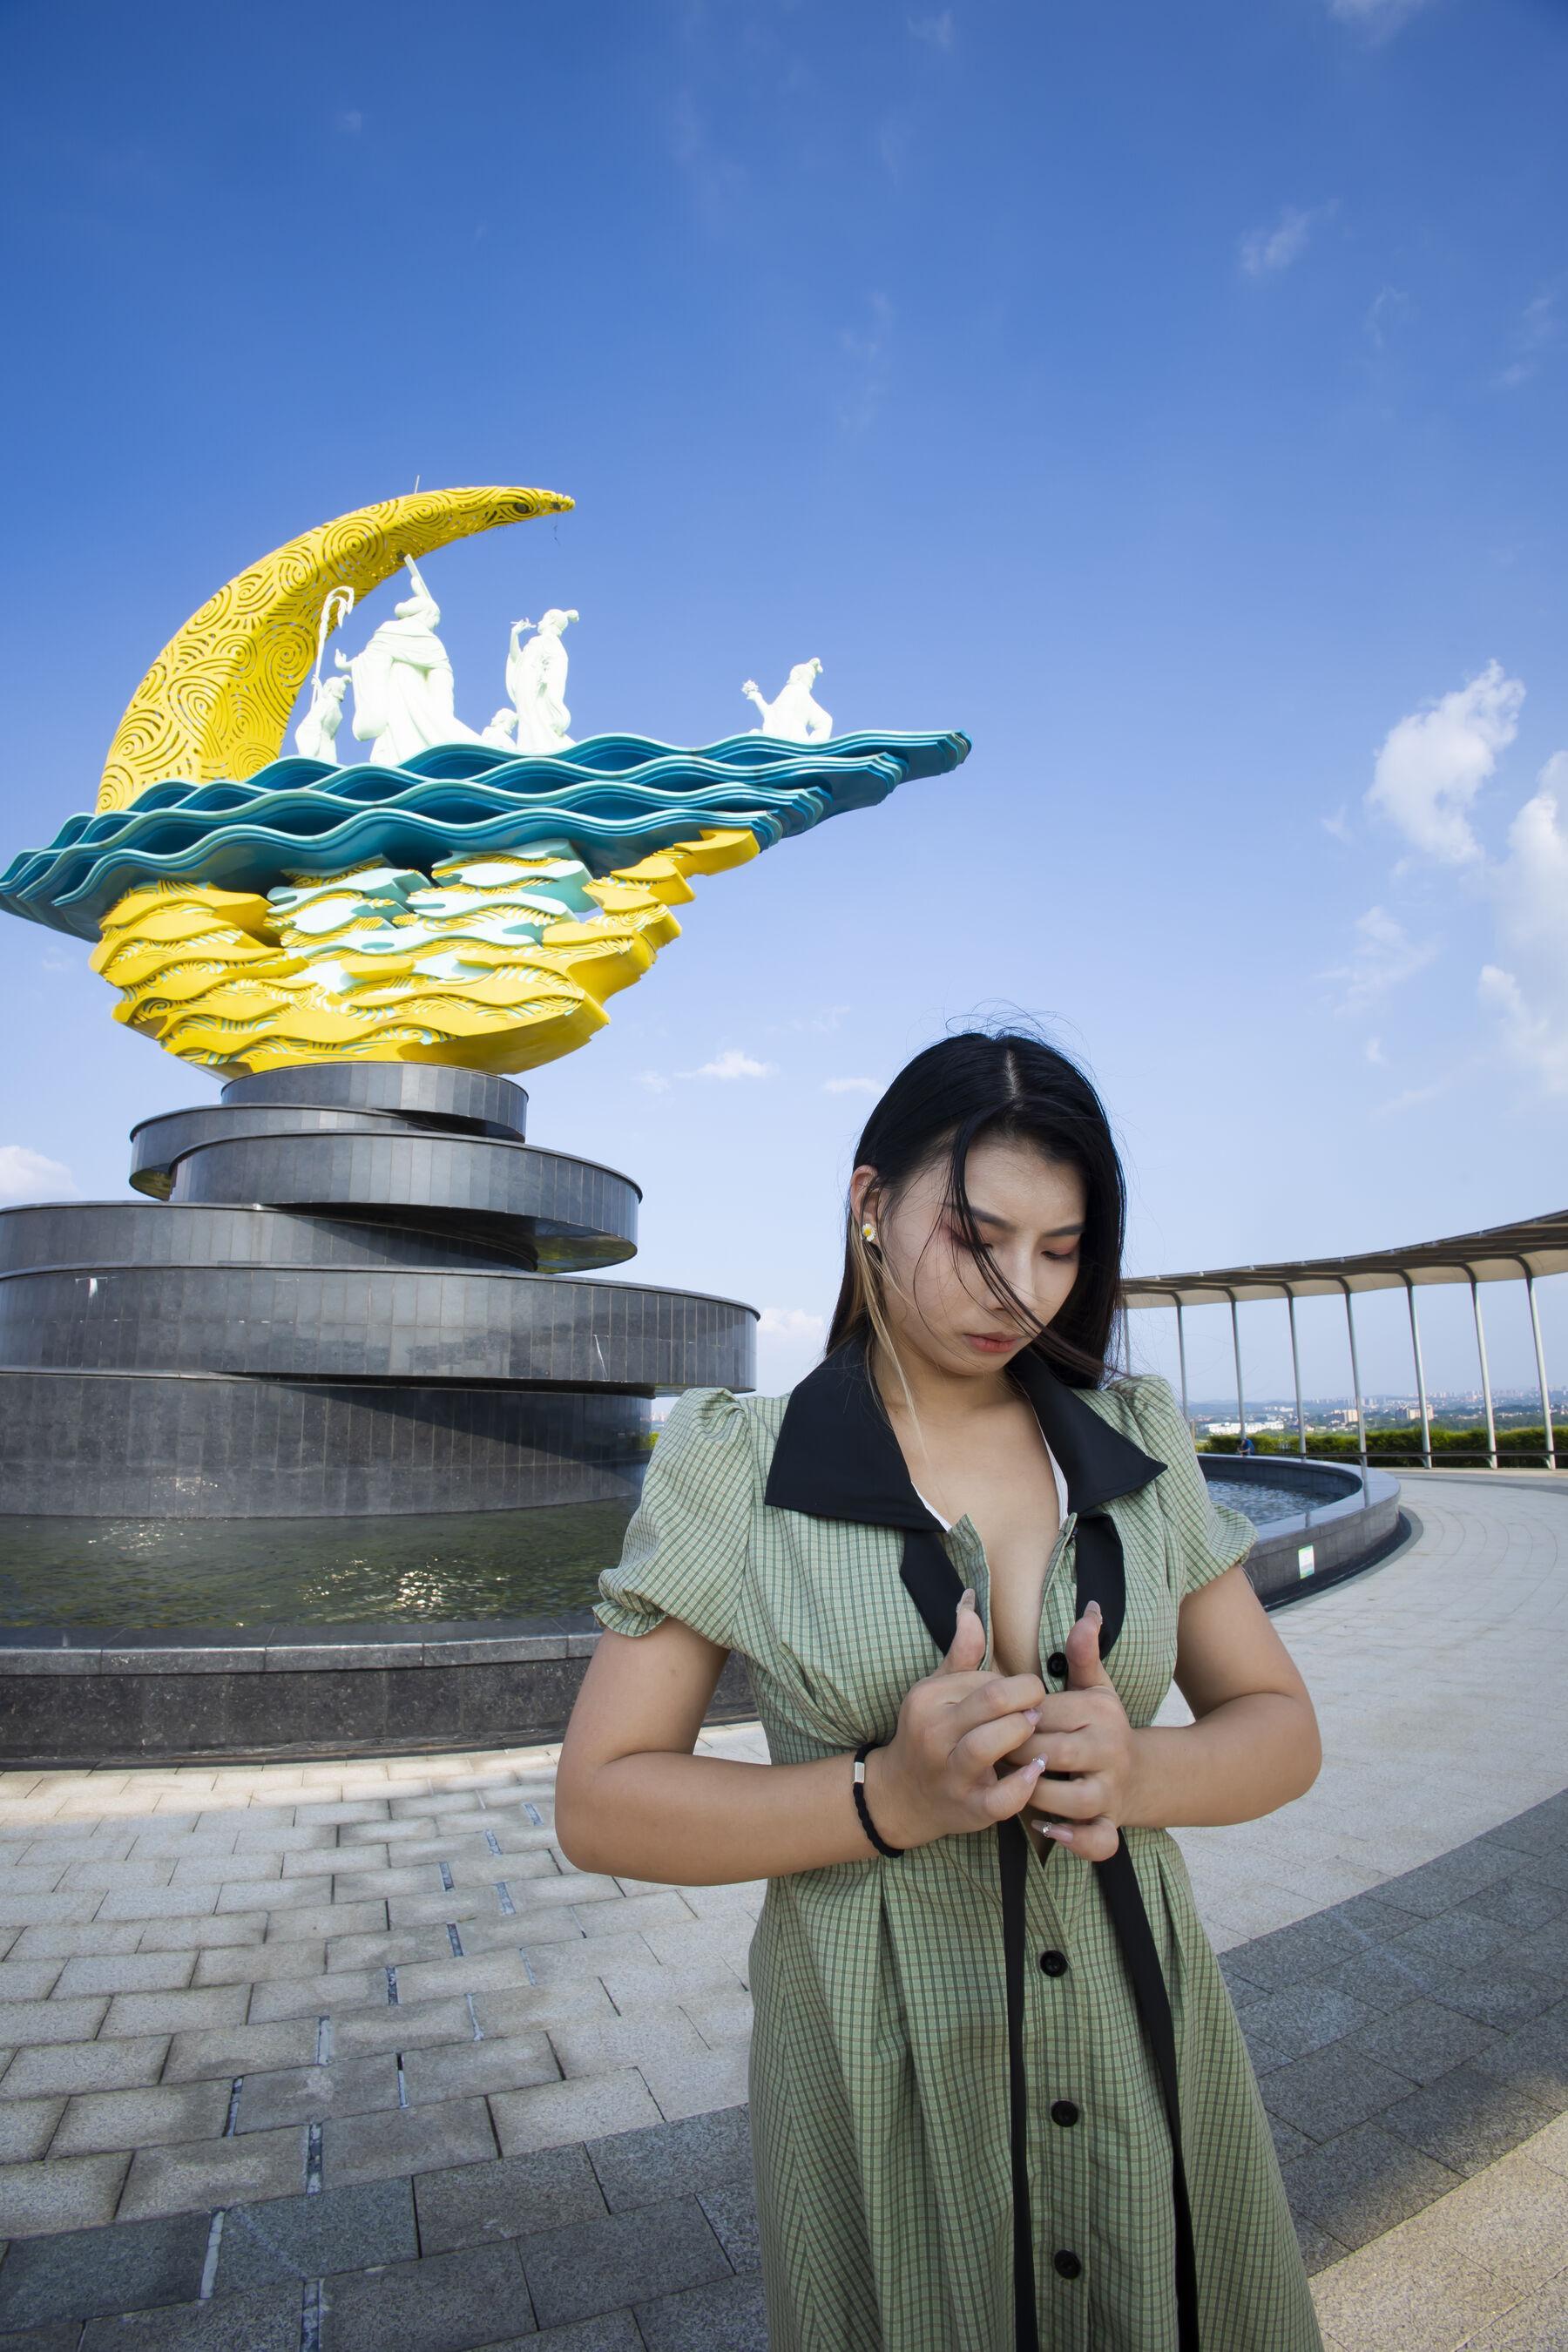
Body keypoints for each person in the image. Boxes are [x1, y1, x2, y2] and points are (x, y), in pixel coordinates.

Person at [556, 1028, 1324, 2352]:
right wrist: (887, 1797)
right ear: (870, 1203)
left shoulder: (1135, 1440)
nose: (1021, 1288)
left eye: (1062, 1249)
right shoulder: (739, 1463)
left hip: (1140, 2029)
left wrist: (1140, 1769)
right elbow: (602, 1801)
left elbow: (1282, 1727)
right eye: (976, 1236)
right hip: (879, 2059)